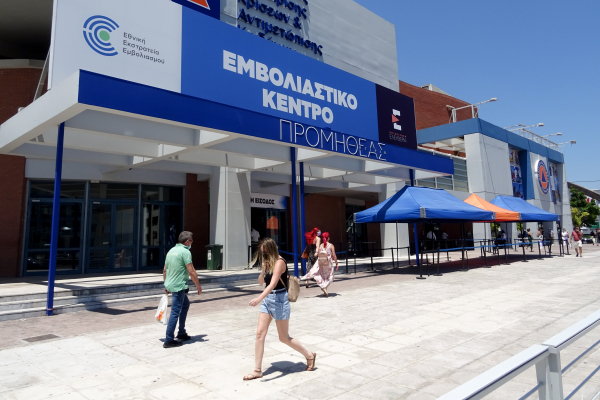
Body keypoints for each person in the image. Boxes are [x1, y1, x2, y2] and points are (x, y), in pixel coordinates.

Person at [244, 238, 316, 381]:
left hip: (279, 300)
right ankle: (257, 370)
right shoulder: (268, 262)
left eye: (265, 252)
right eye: (262, 253)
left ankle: (309, 355)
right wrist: (263, 269)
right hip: (268, 300)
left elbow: (272, 284)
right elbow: (261, 282)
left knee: (283, 338)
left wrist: (258, 298)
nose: (263, 254)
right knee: (259, 334)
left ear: (271, 250)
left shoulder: (279, 262)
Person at [163, 231, 203, 348]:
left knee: (185, 305)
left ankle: (181, 332)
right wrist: (198, 285)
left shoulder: (171, 251)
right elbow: (191, 271)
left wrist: (166, 284)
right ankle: (169, 339)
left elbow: (165, 270)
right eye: (191, 241)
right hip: (179, 286)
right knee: (175, 312)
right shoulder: (185, 252)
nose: (192, 243)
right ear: (187, 241)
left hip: (171, 284)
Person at [301, 232, 338, 297]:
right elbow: (334, 255)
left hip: (322, 262)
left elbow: (319, 254)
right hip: (328, 263)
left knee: (322, 276)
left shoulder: (321, 245)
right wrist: (336, 263)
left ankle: (324, 288)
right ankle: (324, 287)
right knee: (329, 277)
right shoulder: (331, 245)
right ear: (328, 238)